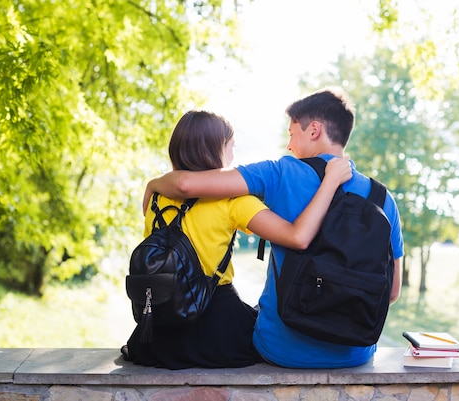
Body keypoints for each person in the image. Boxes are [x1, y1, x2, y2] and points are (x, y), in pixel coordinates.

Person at [142, 88, 404, 368]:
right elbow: (391, 293)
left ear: (314, 130)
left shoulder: (279, 172)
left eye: (292, 134)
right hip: (356, 353)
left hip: (281, 350)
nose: (289, 145)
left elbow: (187, 185)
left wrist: (154, 184)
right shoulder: (383, 198)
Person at [124, 109, 352, 369]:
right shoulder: (233, 201)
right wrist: (330, 182)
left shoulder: (157, 196)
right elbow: (297, 237)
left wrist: (154, 183)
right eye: (230, 147)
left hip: (157, 334)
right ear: (215, 149)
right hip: (216, 330)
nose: (232, 156)